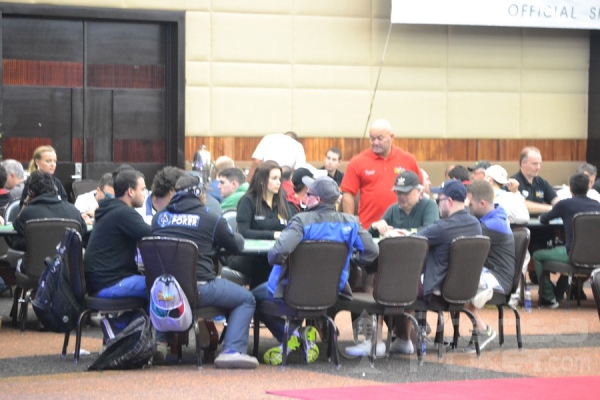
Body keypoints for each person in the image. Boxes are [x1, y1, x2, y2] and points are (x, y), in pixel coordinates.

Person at [252, 176, 379, 365]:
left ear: (317, 200)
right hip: (331, 293)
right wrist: (352, 261)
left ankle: (293, 334)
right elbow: (372, 251)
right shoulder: (351, 223)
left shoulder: (300, 221)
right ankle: (300, 335)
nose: (305, 197)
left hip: (291, 291)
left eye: (309, 194)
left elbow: (277, 253)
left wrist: (283, 262)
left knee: (251, 298)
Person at [151, 173, 259, 368]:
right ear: (199, 193)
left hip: (165, 293)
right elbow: (235, 245)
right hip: (200, 290)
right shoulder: (210, 218)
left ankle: (161, 342)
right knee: (246, 298)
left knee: (172, 280)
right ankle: (232, 350)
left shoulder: (158, 218)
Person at [346, 170, 439, 357]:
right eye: (398, 192)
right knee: (373, 277)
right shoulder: (393, 209)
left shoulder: (429, 206)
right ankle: (389, 339)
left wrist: (402, 232)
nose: (401, 196)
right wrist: (375, 227)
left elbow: (430, 231)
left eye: (406, 192)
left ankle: (379, 341)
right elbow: (371, 236)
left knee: (377, 281)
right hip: (395, 263)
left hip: (421, 267)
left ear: (419, 191)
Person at [394, 180, 482, 354]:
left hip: (437, 289)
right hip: (465, 289)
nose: (437, 204)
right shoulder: (475, 224)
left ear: (449, 201)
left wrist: (398, 233)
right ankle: (415, 330)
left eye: (439, 200)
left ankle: (403, 338)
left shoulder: (442, 227)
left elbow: (411, 242)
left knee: (397, 284)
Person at [84, 169, 152, 339]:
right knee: (162, 288)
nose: (145, 194)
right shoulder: (124, 213)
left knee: (158, 286)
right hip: (109, 284)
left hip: (98, 281)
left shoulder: (110, 210)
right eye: (142, 189)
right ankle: (120, 327)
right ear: (130, 191)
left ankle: (124, 329)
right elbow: (153, 235)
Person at [533, 173, 600, 309]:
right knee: (566, 259)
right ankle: (558, 294)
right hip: (596, 257)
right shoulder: (598, 205)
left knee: (537, 255)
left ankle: (549, 297)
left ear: (570, 188)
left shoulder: (564, 204)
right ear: (589, 187)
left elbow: (544, 219)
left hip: (571, 255)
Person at [341, 119, 423, 229]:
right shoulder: (357, 162)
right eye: (372, 138)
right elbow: (348, 194)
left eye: (380, 138)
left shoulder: (408, 159)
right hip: (368, 228)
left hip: (403, 228)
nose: (375, 142)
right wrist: (351, 225)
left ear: (391, 137)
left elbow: (420, 189)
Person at [465, 180, 516, 352]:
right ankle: (479, 289)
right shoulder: (491, 216)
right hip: (485, 272)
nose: (468, 207)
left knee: (457, 286)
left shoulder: (493, 225)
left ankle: (483, 329)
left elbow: (461, 236)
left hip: (499, 279)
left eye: (470, 204)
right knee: (454, 280)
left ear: (482, 203)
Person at [227, 161, 292, 288]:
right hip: (251, 256)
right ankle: (260, 297)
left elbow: (291, 227)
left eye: (279, 179)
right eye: (274, 178)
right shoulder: (248, 201)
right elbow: (243, 232)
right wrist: (273, 235)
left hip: (276, 253)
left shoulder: (282, 201)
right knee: (266, 265)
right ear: (262, 181)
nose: (278, 182)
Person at [9, 171, 87, 262]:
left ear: (31, 193)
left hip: (36, 267)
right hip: (67, 268)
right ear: (55, 189)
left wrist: (26, 202)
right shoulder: (74, 211)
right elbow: (83, 233)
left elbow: (16, 230)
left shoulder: (27, 213)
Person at [510, 146, 558, 214]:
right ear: (523, 163)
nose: (538, 167)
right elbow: (521, 205)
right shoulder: (512, 183)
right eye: (534, 164)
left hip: (542, 220)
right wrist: (550, 208)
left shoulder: (542, 182)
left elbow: (556, 201)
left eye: (539, 163)